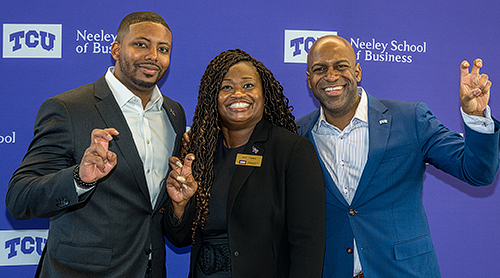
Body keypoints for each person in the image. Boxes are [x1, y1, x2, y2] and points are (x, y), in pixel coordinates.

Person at [296, 34, 500, 278]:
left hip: (404, 271)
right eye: (320, 69)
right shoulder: (297, 134)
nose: (331, 76)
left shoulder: (410, 118)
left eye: (341, 66)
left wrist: (475, 118)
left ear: (358, 71)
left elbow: (478, 172)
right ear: (309, 80)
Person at [5, 11, 186, 278]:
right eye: (141, 44)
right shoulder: (69, 108)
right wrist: (80, 178)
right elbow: (20, 198)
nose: (153, 55)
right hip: (81, 271)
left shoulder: (174, 112)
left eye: (163, 49)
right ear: (115, 49)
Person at [162, 49, 326, 278]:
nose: (238, 94)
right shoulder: (200, 154)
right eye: (226, 87)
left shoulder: (291, 150)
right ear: (212, 97)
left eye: (248, 86)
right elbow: (179, 240)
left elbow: (308, 244)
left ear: (264, 92)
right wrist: (180, 205)